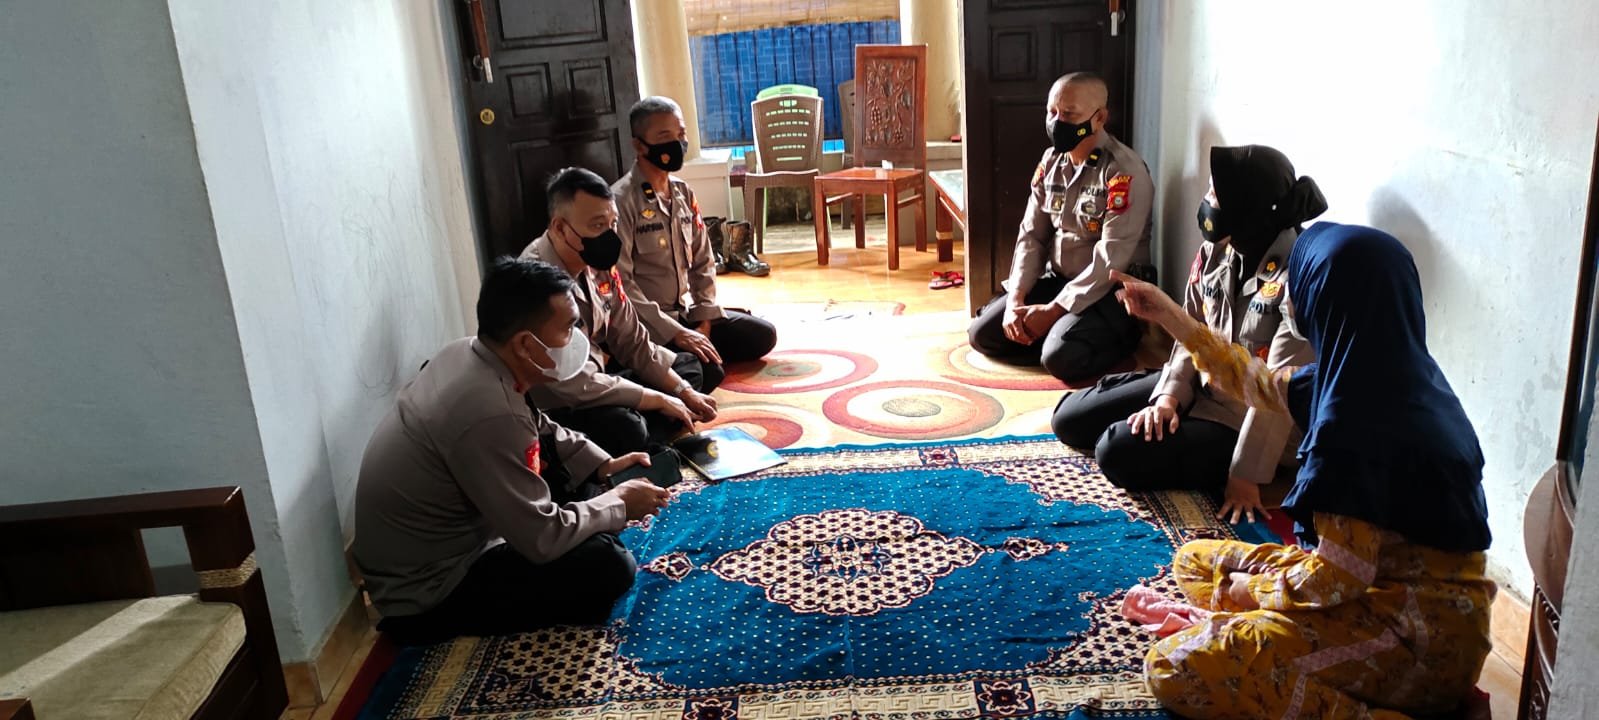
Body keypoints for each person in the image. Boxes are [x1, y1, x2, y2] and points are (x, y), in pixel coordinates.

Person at [1111, 223, 1495, 719]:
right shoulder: (1383, 377)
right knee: (1195, 562)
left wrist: (1252, 592)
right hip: (1381, 592)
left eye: (1299, 284)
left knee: (1174, 667)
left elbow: (1338, 578)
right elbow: (1251, 380)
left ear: (1329, 299)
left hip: (1414, 643)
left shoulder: (1357, 427)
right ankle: (1262, 637)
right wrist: (1168, 314)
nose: (1290, 299)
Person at [353, 258, 673, 645]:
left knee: (578, 477)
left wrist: (603, 466)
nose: (577, 339)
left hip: (443, 542)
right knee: (609, 564)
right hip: (431, 589)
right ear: (524, 343)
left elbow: (538, 426)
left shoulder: (467, 353)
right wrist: (618, 503)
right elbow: (543, 538)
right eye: (568, 328)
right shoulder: (489, 411)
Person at [1052, 145, 1326, 522]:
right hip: (1203, 385)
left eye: (1215, 194)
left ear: (1249, 207)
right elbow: (1190, 329)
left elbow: (1276, 393)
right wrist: (1168, 398)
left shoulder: (1299, 280)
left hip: (1245, 420)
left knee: (1114, 450)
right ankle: (1170, 411)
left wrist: (1245, 475)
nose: (1206, 202)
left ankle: (1215, 454)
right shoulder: (1218, 251)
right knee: (1070, 418)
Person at [967, 71, 1157, 383]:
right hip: (1060, 280)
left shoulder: (1123, 171)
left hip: (1110, 292)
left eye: (1069, 114)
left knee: (1060, 358)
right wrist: (1016, 299)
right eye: (1052, 112)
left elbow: (1110, 260)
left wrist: (1054, 310)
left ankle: (1106, 337)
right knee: (982, 334)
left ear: (1099, 118)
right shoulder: (1052, 161)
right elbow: (1032, 236)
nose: (1057, 121)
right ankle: (1056, 334)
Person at [521, 167, 720, 457]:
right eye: (597, 225)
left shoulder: (599, 262)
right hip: (562, 402)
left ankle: (650, 435)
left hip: (601, 376)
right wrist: (658, 399)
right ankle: (646, 441)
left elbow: (632, 340)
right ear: (560, 228)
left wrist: (682, 392)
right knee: (627, 428)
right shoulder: (537, 282)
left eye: (613, 224)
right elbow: (577, 385)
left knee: (692, 369)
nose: (610, 236)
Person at [612, 96, 778, 368]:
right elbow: (621, 283)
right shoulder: (621, 201)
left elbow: (703, 261)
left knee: (762, 335)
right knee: (703, 371)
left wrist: (704, 321)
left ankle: (687, 359)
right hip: (647, 325)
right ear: (639, 145)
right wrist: (676, 333)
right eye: (665, 136)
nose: (677, 143)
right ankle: (677, 362)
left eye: (681, 134)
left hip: (685, 315)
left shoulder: (683, 193)